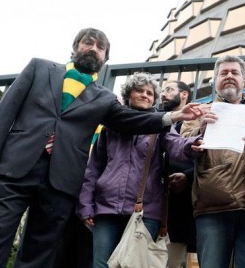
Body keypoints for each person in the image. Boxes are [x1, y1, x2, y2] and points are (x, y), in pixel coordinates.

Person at [0, 28, 203, 267]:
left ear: (105, 59)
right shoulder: (39, 68)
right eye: (88, 43)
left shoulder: (104, 98)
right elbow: (8, 105)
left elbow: (131, 120)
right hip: (15, 168)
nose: (93, 49)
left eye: (100, 48)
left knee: (39, 255)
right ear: (75, 46)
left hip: (60, 183)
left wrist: (172, 117)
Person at [76, 73, 202, 268]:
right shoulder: (110, 128)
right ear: (128, 94)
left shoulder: (161, 125)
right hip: (106, 208)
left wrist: (194, 143)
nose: (145, 95)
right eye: (139, 91)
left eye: (150, 93)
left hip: (145, 211)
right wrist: (85, 205)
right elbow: (93, 169)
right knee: (101, 264)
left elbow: (178, 146)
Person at [181, 55, 245, 268]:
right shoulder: (200, 112)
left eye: (234, 73)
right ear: (214, 80)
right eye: (224, 73)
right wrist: (200, 129)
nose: (229, 76)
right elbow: (181, 148)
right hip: (212, 209)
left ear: (243, 80)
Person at [161, 80, 198, 268]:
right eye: (161, 91)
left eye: (168, 89)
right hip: (154, 205)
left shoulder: (198, 119)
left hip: (182, 207)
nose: (163, 94)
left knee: (173, 260)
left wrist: (188, 176)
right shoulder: (158, 120)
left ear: (184, 94)